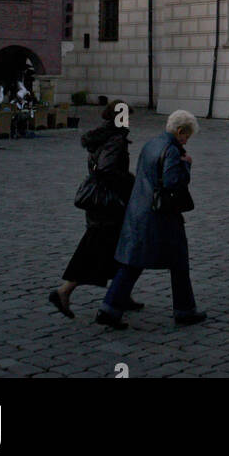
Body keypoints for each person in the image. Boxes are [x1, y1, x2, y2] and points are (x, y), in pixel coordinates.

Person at [97, 110, 205, 329]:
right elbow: (172, 182)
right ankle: (184, 310)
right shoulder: (172, 150)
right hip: (161, 214)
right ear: (180, 131)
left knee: (134, 261)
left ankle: (110, 308)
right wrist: (187, 165)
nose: (187, 140)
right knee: (178, 260)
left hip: (140, 210)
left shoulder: (152, 144)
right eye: (187, 136)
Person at [50, 101, 134, 318]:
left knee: (113, 248)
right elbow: (108, 169)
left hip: (100, 202)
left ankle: (122, 292)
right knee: (97, 249)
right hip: (108, 203)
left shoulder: (102, 136)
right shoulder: (115, 139)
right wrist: (131, 181)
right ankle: (64, 291)